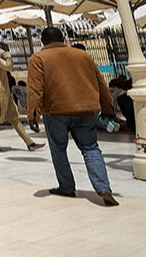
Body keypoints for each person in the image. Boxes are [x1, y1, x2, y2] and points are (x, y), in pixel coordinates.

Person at [27, 26, 119, 206]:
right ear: (63, 39)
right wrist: (108, 108)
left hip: (56, 110)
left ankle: (67, 187)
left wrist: (33, 115)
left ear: (43, 42)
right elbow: (101, 83)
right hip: (86, 109)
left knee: (58, 149)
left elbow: (35, 89)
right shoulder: (83, 55)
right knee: (91, 148)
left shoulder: (38, 58)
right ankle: (104, 189)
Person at [0, 33, 43, 153]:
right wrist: (7, 53)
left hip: (0, 91)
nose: (1, 45)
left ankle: (30, 143)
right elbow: (8, 66)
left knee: (15, 117)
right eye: (0, 43)